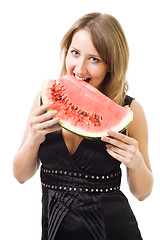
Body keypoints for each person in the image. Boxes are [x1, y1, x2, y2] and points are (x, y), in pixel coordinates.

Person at [13, 12, 153, 240]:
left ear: (111, 65)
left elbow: (143, 193)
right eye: (75, 53)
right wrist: (32, 140)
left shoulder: (130, 111)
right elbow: (20, 175)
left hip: (114, 231)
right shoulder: (44, 101)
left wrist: (135, 161)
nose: (79, 68)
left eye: (94, 59)